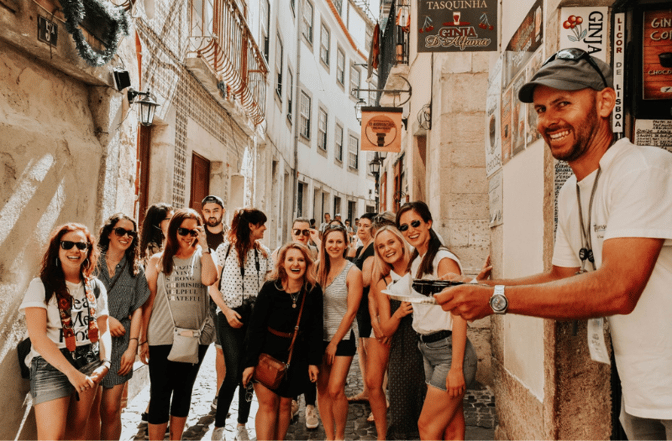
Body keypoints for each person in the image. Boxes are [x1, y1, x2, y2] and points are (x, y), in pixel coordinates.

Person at [436, 48, 672, 440]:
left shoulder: (644, 169)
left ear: (604, 102)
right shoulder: (570, 193)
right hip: (639, 387)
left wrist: (495, 300)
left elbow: (619, 288)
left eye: (563, 103)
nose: (549, 120)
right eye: (541, 109)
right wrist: (477, 289)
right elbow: (559, 276)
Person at [20, 223, 112, 440]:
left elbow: (103, 329)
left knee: (75, 434)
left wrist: (105, 362)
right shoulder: (41, 285)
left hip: (89, 361)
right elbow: (38, 338)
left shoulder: (96, 287)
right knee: (52, 437)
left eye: (81, 245)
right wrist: (71, 373)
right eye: (67, 244)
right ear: (57, 249)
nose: (75, 250)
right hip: (50, 364)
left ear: (89, 250)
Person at [396, 201, 477, 440]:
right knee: (451, 427)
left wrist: (455, 368)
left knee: (427, 426)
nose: (410, 230)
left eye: (415, 223)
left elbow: (459, 313)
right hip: (429, 349)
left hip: (449, 351)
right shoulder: (417, 260)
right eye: (404, 227)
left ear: (428, 223)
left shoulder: (443, 260)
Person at [139, 209, 217, 440]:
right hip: (162, 334)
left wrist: (205, 246)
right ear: (174, 230)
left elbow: (209, 280)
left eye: (194, 231)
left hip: (197, 336)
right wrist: (143, 339)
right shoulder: (158, 260)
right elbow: (149, 301)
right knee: (160, 392)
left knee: (184, 391)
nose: (189, 235)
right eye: (183, 230)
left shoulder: (203, 257)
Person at [241, 243, 324, 440]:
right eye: (291, 259)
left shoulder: (313, 290)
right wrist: (249, 363)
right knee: (268, 404)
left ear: (307, 263)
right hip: (266, 354)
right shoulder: (271, 288)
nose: (296, 264)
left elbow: (315, 328)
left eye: (301, 259)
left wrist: (313, 361)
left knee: (286, 405)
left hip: (297, 354)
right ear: (283, 264)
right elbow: (255, 327)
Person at [211, 208, 273, 441]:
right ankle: (219, 426)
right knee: (234, 372)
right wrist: (226, 312)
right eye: (261, 224)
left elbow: (268, 291)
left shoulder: (265, 254)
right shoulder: (224, 250)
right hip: (228, 316)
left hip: (254, 320)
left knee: (249, 373)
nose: (265, 228)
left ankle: (241, 425)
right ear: (250, 226)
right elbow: (212, 286)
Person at [96, 214, 150, 440]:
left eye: (131, 233)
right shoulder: (91, 262)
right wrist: (106, 319)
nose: (126, 236)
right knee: (89, 411)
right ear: (109, 233)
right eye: (120, 231)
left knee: (110, 409)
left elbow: (138, 308)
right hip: (88, 341)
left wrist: (132, 347)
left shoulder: (135, 269)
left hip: (120, 345)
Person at [371, 224, 425, 440]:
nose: (387, 249)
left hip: (429, 349)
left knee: (428, 413)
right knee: (402, 412)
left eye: (391, 242)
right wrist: (399, 313)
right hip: (402, 353)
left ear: (402, 242)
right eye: (381, 246)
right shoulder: (383, 282)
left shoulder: (421, 269)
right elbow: (385, 329)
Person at [270, 218, 320, 429]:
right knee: (287, 365)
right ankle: (290, 403)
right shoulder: (280, 253)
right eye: (297, 231)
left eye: (305, 232)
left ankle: (310, 405)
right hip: (286, 318)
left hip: (307, 312)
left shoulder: (315, 254)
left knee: (308, 362)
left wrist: (320, 242)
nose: (301, 235)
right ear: (291, 232)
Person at [316, 224, 363, 440]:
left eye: (338, 241)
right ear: (324, 245)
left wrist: (334, 342)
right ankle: (329, 435)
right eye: (330, 242)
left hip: (342, 338)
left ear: (346, 244)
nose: (334, 245)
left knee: (335, 389)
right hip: (318, 337)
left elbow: (352, 310)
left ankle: (340, 436)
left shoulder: (353, 272)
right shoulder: (317, 268)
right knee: (322, 390)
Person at [137, 202, 173, 423]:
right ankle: (154, 410)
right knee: (160, 368)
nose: (172, 221)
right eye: (168, 218)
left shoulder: (154, 244)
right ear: (159, 222)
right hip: (155, 307)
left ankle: (153, 407)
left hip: (157, 307)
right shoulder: (153, 249)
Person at [201, 195, 228, 411]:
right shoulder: (195, 235)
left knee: (222, 350)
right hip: (198, 300)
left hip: (223, 299)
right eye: (208, 210)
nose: (212, 214)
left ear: (222, 211)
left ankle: (220, 395)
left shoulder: (231, 238)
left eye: (215, 210)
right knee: (191, 351)